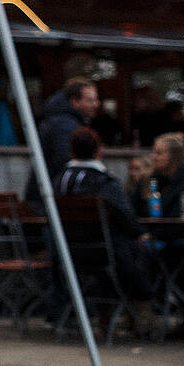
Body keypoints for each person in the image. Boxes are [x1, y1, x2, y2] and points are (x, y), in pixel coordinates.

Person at [54, 128, 158, 336]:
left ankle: (107, 316)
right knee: (141, 252)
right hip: (105, 253)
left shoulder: (59, 181)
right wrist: (140, 233)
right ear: (99, 151)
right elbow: (124, 217)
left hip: (65, 253)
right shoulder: (105, 182)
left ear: (72, 151)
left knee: (115, 261)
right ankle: (140, 314)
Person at [26, 77, 99, 201]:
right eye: (90, 100)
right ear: (75, 102)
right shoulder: (65, 126)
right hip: (53, 196)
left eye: (95, 99)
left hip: (48, 192)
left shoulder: (62, 120)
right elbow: (66, 160)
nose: (96, 104)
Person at [142, 131, 184, 217]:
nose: (153, 157)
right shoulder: (149, 180)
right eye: (153, 152)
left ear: (173, 157)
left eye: (159, 153)